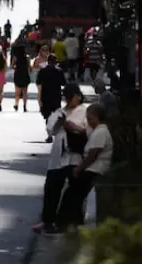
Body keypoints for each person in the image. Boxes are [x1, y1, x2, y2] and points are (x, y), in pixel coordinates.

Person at [32, 84, 87, 234]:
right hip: (58, 156)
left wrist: (72, 127)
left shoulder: (84, 112)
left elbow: (87, 131)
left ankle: (73, 221)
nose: (69, 101)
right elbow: (50, 130)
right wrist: (59, 123)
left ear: (78, 96)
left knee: (74, 190)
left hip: (75, 156)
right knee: (52, 188)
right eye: (67, 98)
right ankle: (47, 220)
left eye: (72, 97)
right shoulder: (59, 112)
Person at [57, 103, 113, 232]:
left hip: (95, 169)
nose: (88, 121)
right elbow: (83, 132)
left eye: (90, 118)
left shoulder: (101, 131)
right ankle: (73, 222)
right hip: (91, 168)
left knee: (73, 194)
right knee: (73, 193)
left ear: (98, 118)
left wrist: (79, 168)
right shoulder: (96, 130)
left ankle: (66, 223)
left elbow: (92, 155)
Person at [37, 54, 67, 142]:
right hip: (56, 96)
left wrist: (39, 96)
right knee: (56, 116)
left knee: (47, 116)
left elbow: (38, 82)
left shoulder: (43, 70)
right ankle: (56, 134)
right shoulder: (59, 71)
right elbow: (63, 83)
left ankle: (49, 136)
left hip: (46, 96)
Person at [10, 42, 31, 112]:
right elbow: (30, 68)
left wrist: (16, 67)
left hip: (18, 75)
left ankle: (16, 104)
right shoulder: (27, 57)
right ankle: (25, 106)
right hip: (25, 75)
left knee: (17, 92)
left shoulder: (15, 57)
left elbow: (12, 66)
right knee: (25, 92)